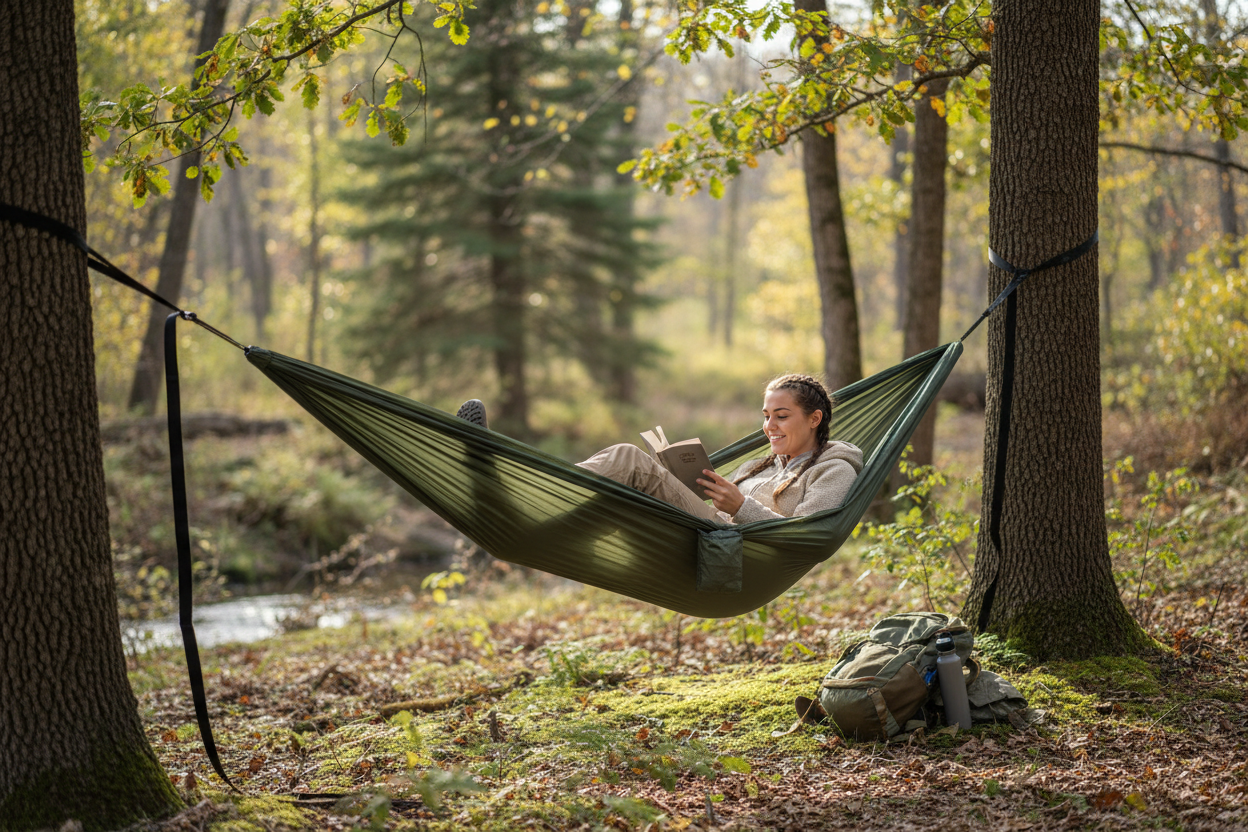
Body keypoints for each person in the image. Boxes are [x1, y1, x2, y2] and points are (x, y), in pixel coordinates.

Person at [456, 373, 862, 524]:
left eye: (781, 416)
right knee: (619, 488)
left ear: (814, 419)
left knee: (627, 458)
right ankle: (515, 508)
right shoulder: (760, 465)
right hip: (707, 529)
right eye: (766, 415)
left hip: (739, 550)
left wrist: (741, 506)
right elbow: (717, 505)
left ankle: (523, 489)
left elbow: (808, 535)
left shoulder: (834, 469)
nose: (769, 426)